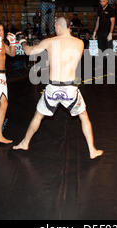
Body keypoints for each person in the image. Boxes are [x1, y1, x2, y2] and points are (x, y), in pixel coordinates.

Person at [13, 17, 103, 160]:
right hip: (70, 89)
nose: (54, 30)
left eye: (55, 27)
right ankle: (92, 150)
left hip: (53, 88)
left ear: (59, 27)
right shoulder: (79, 43)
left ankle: (25, 143)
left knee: (38, 115)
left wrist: (22, 41)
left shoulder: (50, 42)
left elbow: (29, 52)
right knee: (84, 117)